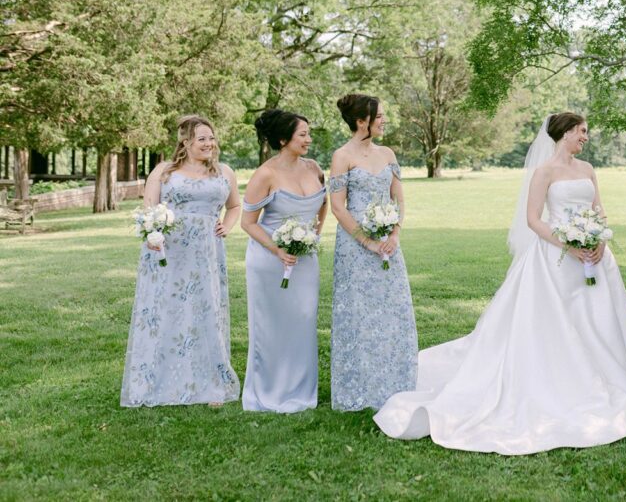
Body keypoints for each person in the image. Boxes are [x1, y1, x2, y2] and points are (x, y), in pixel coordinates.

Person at [372, 112, 626, 455]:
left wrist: (599, 242)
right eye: (582, 132)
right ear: (565, 133)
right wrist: (569, 245)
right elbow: (534, 220)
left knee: (599, 318)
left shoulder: (588, 170)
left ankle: (609, 376)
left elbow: (599, 212)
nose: (585, 138)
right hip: (556, 259)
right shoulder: (545, 172)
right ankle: (564, 380)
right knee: (557, 324)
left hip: (594, 258)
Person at [121, 115, 241, 407]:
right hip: (169, 251)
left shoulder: (224, 172)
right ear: (186, 143)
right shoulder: (164, 171)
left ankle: (209, 380)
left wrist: (228, 223)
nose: (209, 144)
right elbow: (149, 209)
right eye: (202, 139)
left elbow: (235, 205)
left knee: (204, 309)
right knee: (168, 309)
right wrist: (153, 235)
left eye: (211, 138)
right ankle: (156, 380)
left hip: (207, 253)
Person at [329, 94, 417, 411]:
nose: (384, 121)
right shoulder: (341, 156)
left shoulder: (388, 153)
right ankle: (359, 386)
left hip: (389, 246)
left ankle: (395, 382)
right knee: (358, 315)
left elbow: (399, 200)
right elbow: (338, 207)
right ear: (361, 121)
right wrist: (366, 241)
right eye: (379, 116)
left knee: (392, 313)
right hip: (355, 248)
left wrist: (394, 233)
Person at [240, 109, 326, 413]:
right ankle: (269, 390)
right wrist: (278, 250)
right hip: (269, 260)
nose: (308, 139)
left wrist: (313, 235)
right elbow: (247, 222)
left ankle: (302, 389)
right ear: (283, 139)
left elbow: (322, 203)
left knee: (303, 319)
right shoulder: (266, 174)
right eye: (302, 134)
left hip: (305, 259)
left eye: (308, 133)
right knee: (272, 326)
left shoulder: (314, 168)